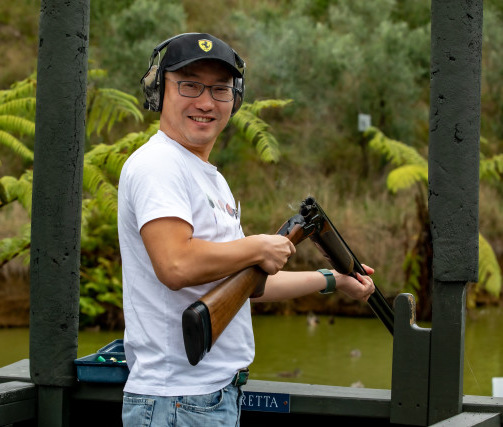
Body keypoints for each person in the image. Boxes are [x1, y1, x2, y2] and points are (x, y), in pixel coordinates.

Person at [117, 32, 375, 426]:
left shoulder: (210, 178)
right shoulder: (159, 164)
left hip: (209, 397)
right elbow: (175, 265)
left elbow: (248, 286)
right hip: (177, 401)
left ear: (234, 100)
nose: (206, 102)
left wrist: (333, 280)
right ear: (159, 90)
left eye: (220, 89)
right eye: (189, 85)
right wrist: (257, 247)